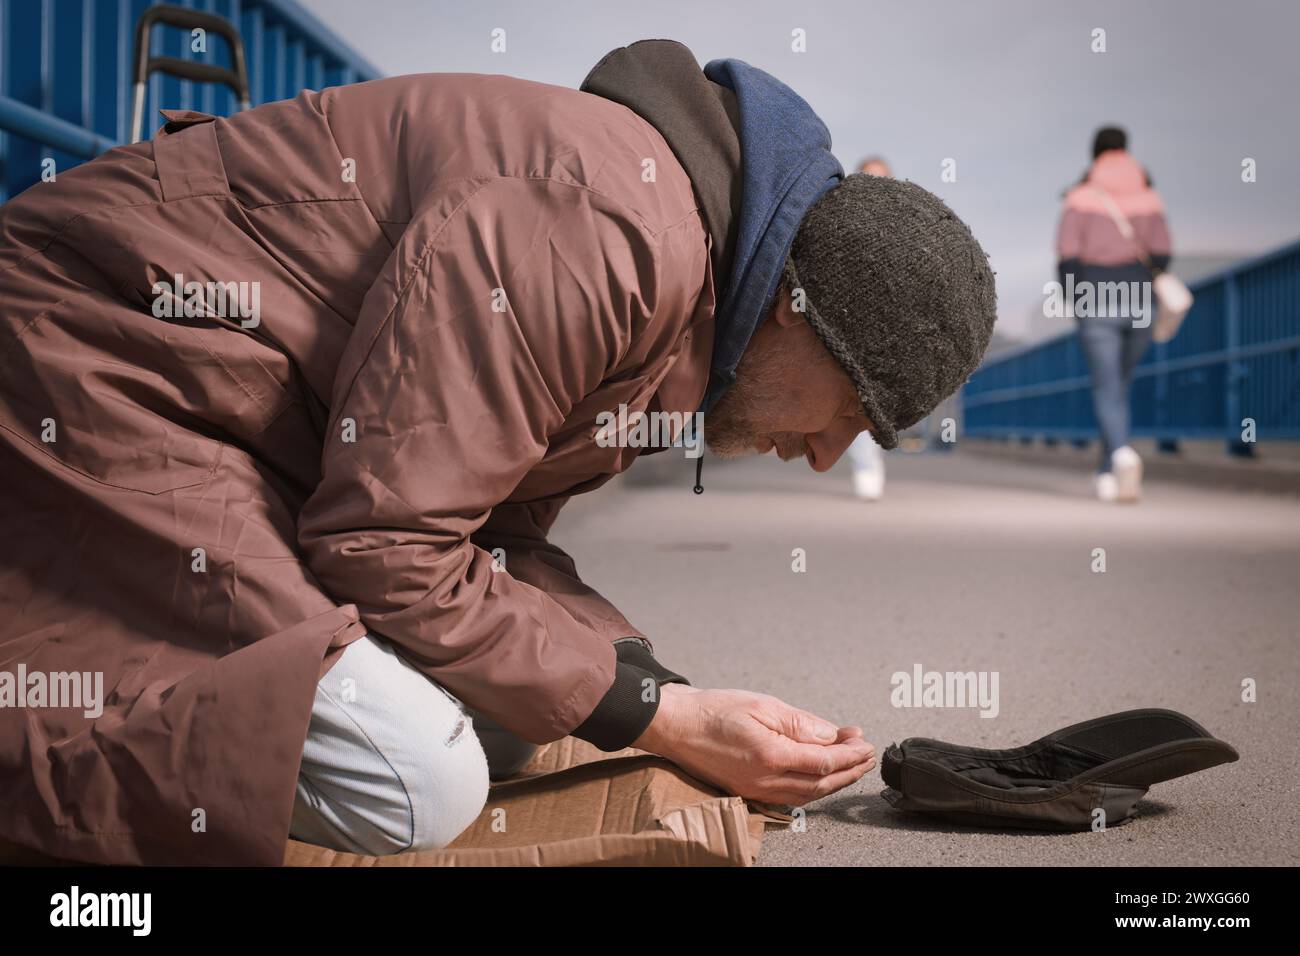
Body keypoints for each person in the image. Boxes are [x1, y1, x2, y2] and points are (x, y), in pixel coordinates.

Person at [0, 39, 996, 864]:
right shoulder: (606, 233)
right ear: (797, 310)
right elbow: (387, 543)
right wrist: (660, 717)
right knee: (417, 778)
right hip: (109, 358)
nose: (825, 457)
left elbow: (488, 530)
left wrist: (658, 686)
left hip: (240, 422)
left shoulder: (683, 302)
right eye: (849, 417)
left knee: (524, 718)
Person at [1056, 126, 1172, 502]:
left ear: (1094, 154)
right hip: (1140, 295)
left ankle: (1119, 456)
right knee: (1120, 386)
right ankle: (1107, 472)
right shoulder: (1149, 195)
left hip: (1097, 295)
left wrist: (1076, 296)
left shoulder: (1081, 196)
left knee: (1107, 386)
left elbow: (1068, 255)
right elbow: (1163, 254)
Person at [845, 156, 893, 500]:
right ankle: (866, 464)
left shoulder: (905, 222)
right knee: (856, 393)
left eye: (883, 178)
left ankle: (873, 453)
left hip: (890, 324)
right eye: (869, 177)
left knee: (881, 397)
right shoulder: (843, 218)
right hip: (851, 320)